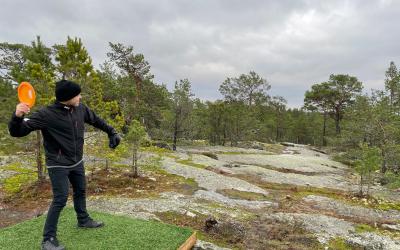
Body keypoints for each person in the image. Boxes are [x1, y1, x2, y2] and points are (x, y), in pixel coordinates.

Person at [8, 80, 121, 250]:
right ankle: (48, 239)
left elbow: (96, 120)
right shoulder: (46, 114)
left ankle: (83, 220)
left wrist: (111, 132)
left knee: (81, 190)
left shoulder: (80, 109)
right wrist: (17, 116)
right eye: (77, 95)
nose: (80, 97)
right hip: (57, 163)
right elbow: (17, 132)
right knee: (60, 199)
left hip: (77, 161)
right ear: (67, 97)